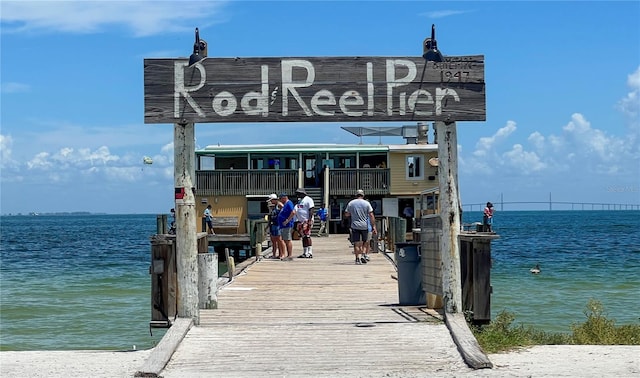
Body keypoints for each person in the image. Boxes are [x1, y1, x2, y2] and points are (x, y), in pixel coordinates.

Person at [345, 189, 377, 265]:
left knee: (356, 243)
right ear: (363, 195)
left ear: (356, 195)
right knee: (365, 242)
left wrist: (352, 214)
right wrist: (374, 226)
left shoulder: (351, 203)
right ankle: (363, 254)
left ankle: (357, 259)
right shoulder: (367, 203)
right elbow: (371, 215)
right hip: (364, 226)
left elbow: (346, 214)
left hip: (355, 226)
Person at [294, 188, 315, 258]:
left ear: (302, 193)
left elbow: (311, 209)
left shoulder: (308, 199)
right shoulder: (300, 201)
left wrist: (309, 220)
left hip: (306, 220)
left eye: (298, 193)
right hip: (300, 221)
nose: (297, 195)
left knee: (307, 236)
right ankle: (305, 252)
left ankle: (310, 252)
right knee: (303, 237)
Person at [277, 193, 296, 261]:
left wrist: (287, 220)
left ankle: (290, 255)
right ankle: (288, 255)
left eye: (281, 199)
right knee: (285, 239)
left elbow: (293, 212)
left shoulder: (289, 203)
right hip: (283, 225)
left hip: (287, 225)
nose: (280, 200)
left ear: (284, 198)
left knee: (288, 240)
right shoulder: (285, 204)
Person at [266, 194, 282, 259]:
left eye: (271, 201)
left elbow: (284, 211)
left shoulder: (279, 205)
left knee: (279, 240)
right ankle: (274, 254)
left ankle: (281, 254)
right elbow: (270, 219)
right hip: (273, 225)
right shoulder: (273, 208)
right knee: (273, 241)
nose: (271, 203)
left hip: (277, 225)